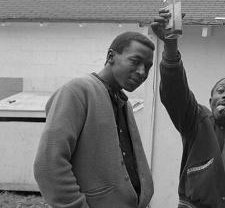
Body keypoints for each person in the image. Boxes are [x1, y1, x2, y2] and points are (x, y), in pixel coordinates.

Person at [151, 10, 225, 208]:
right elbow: (175, 93)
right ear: (211, 100)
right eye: (221, 90)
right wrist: (170, 45)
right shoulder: (197, 121)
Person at [33, 32, 155, 208]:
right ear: (111, 56)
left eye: (148, 66)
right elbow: (48, 165)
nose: (142, 72)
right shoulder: (77, 91)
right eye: (135, 61)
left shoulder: (122, 103)